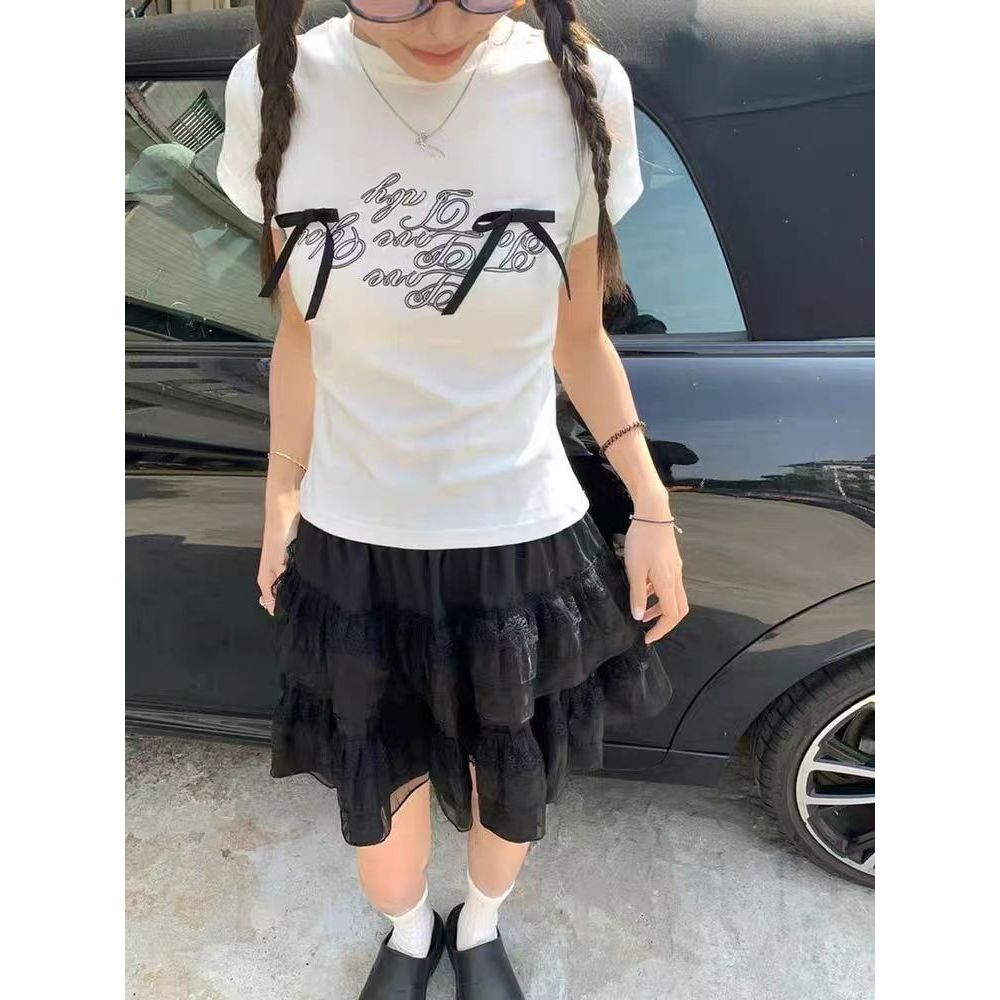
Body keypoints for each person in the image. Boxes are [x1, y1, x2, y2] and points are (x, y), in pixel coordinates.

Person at [216, 2, 688, 997]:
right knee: (379, 796)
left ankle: (478, 926)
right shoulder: (275, 87)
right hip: (353, 540)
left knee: (503, 781)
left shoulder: (578, 90)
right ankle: (405, 933)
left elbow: (578, 336)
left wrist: (650, 505)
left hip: (520, 534)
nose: (439, 20)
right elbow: (300, 332)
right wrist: (281, 493)